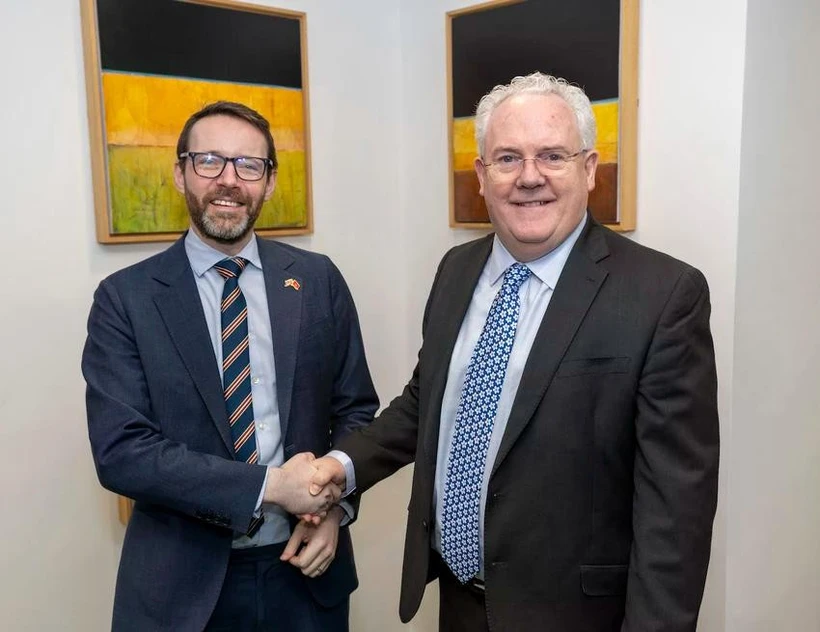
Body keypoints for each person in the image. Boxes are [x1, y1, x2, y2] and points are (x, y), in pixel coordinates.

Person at [310, 73, 720, 631]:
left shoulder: (664, 295)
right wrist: (339, 467)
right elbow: (428, 401)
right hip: (459, 603)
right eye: (507, 158)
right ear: (482, 176)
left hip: (578, 616)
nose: (530, 177)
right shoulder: (456, 271)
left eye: (552, 155)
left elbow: (677, 512)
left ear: (589, 168)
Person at [82, 101, 378, 632]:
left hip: (307, 572)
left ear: (268, 181)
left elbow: (355, 409)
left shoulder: (316, 280)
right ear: (179, 173)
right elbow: (121, 453)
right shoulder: (125, 299)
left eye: (248, 165)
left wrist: (336, 509)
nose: (228, 180)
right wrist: (269, 488)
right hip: (181, 589)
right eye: (209, 161)